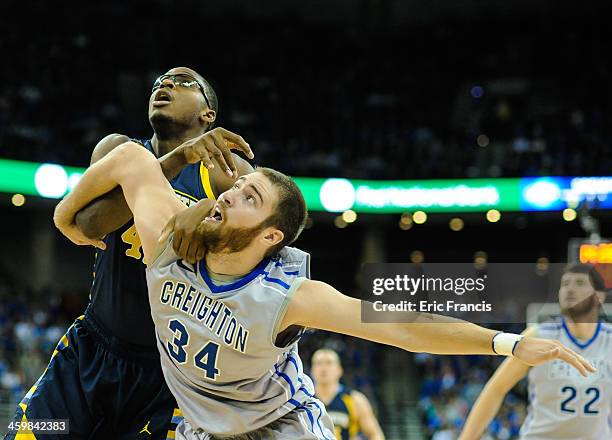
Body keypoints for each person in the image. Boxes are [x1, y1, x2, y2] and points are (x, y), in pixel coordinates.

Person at [53, 142, 596, 439]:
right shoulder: (171, 237)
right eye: (237, 187)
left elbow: (405, 327)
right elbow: (127, 159)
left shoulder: (288, 295)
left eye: (249, 198)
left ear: (270, 236)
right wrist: (68, 225)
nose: (231, 195)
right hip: (200, 427)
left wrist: (502, 344)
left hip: (279, 427)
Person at [5, 67, 254, 440]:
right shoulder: (119, 149)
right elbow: (90, 224)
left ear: (209, 115)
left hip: (166, 376)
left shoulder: (225, 176)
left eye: (184, 82)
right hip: (90, 354)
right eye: (160, 82)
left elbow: (276, 232)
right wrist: (175, 161)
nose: (166, 84)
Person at [459, 263, 610, 440]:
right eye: (565, 284)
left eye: (579, 283)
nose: (570, 289)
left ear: (599, 296)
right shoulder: (538, 336)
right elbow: (496, 388)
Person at [311, 348, 385, 440]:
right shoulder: (303, 399)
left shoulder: (355, 399)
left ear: (339, 370)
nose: (323, 368)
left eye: (329, 363)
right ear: (312, 370)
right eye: (318, 363)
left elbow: (375, 434)